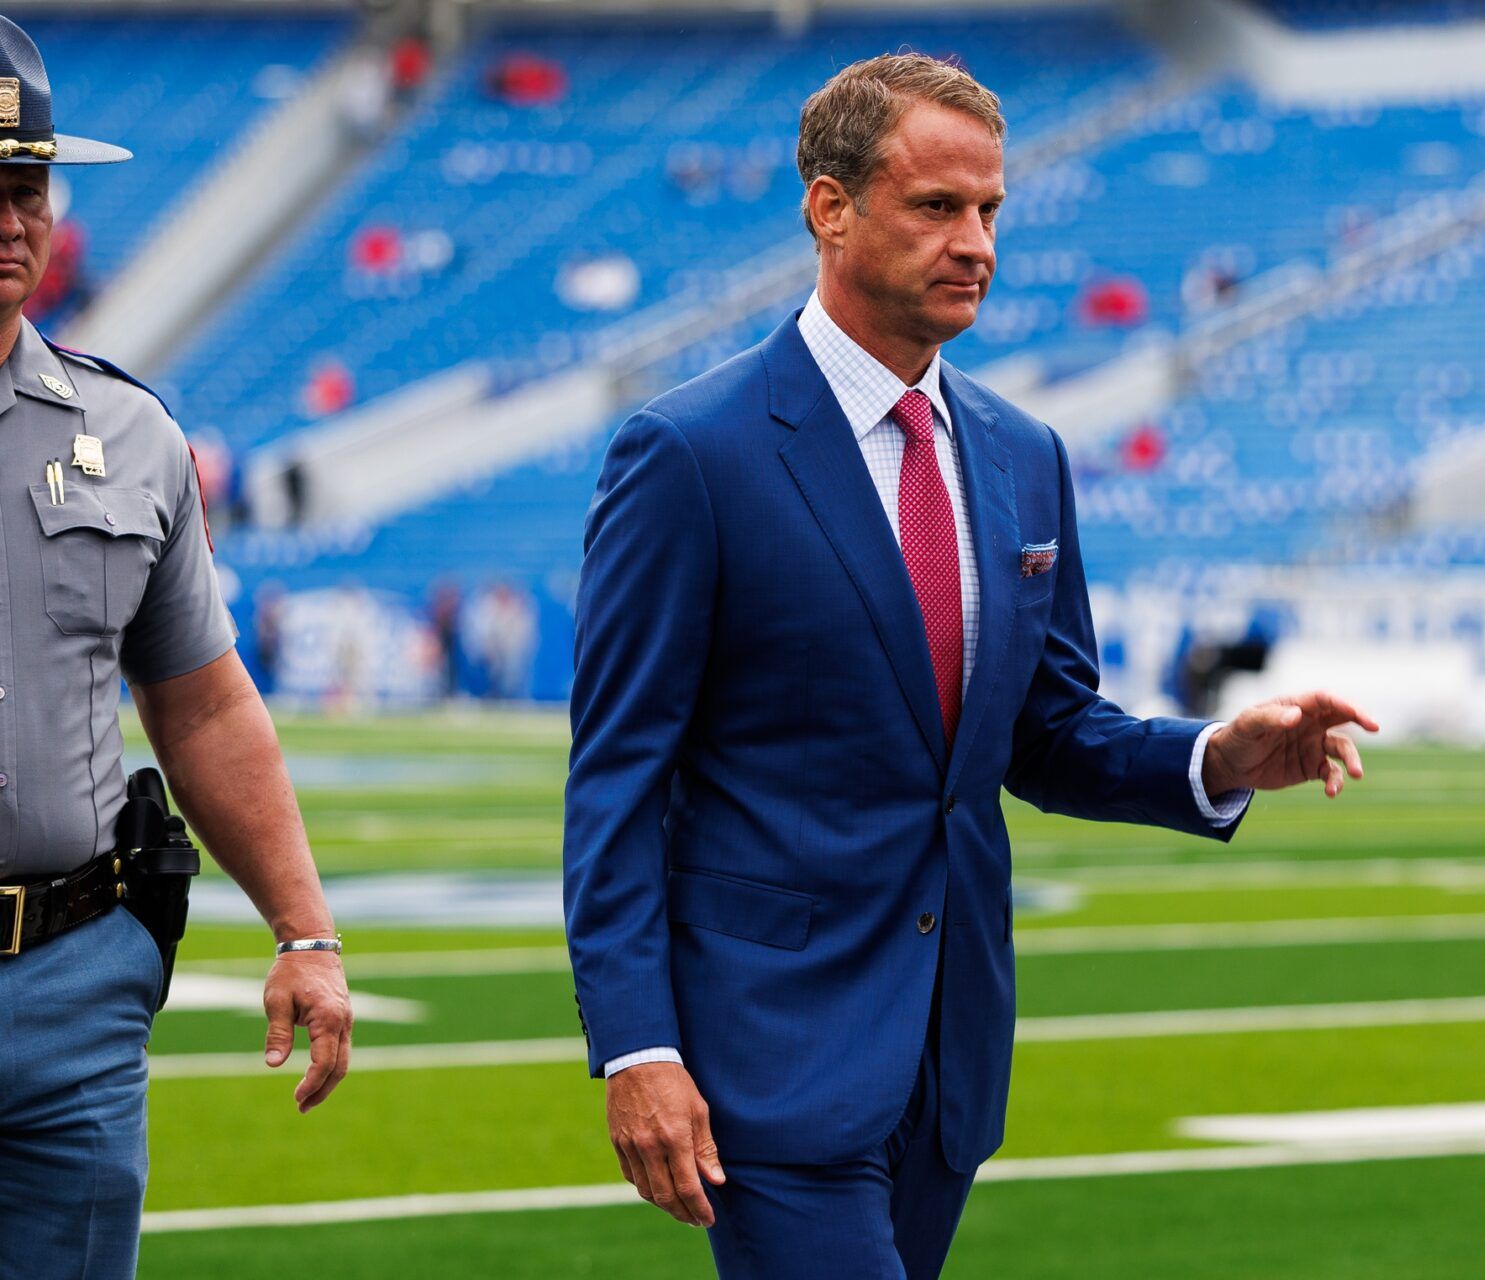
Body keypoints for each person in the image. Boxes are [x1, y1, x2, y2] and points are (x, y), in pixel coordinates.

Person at [564, 53, 1377, 1279]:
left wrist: (1217, 754)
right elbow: (617, 777)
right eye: (938, 207)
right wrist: (636, 1046)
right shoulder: (689, 451)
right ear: (829, 208)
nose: (977, 242)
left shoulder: (1022, 451)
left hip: (951, 1048)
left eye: (991, 209)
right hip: (766, 1049)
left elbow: (1044, 730)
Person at [0, 20, 352, 1278]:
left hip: (73, 982)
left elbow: (201, 704)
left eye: (26, 183)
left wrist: (304, 931)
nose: (9, 216)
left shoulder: (130, 432)